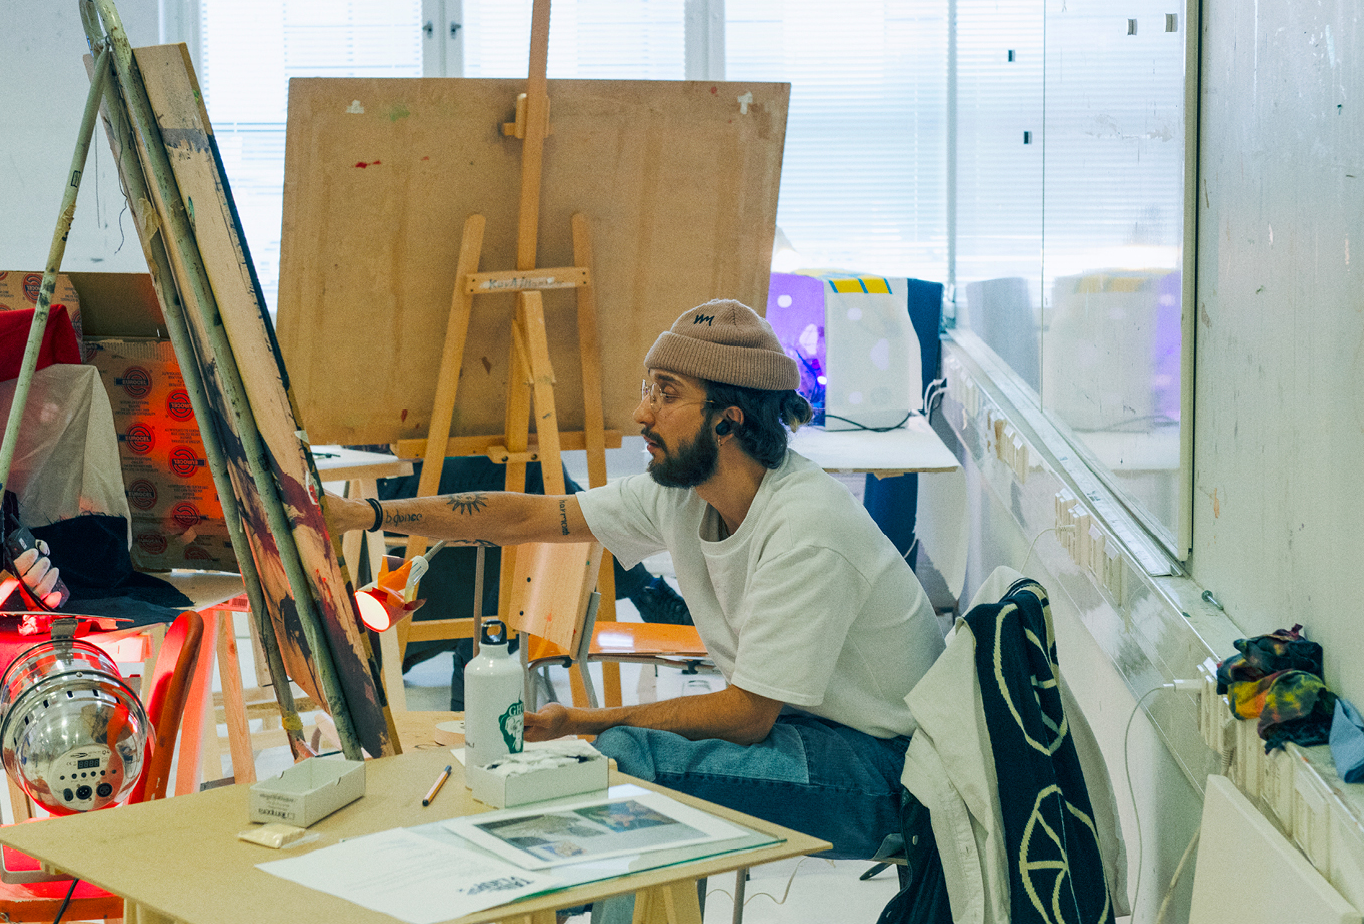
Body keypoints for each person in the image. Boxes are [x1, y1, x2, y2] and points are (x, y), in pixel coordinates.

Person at [325, 298, 944, 860]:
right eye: (648, 388)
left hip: (892, 774)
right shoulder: (684, 493)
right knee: (608, 762)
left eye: (666, 394)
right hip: (810, 731)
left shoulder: (807, 529)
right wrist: (367, 514)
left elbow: (746, 716)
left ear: (728, 420)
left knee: (623, 764)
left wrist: (585, 722)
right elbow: (532, 514)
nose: (641, 412)